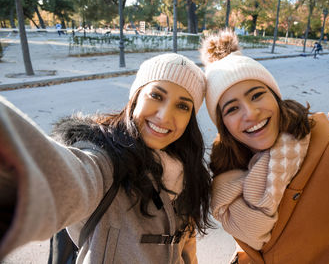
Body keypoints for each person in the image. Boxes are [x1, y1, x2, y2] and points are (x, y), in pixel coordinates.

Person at [200, 29, 329, 263]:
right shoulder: (231, 169)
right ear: (223, 125)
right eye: (232, 109)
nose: (251, 113)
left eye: (256, 95)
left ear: (275, 97)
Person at [0, 53, 212, 263]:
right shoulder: (105, 161)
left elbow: (186, 249)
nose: (165, 116)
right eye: (156, 96)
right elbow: (57, 180)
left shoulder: (187, 172)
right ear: (136, 97)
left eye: (182, 106)